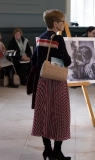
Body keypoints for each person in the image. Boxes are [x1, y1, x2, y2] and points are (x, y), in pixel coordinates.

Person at [29, 9, 72, 160]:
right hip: (57, 82)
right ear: (56, 24)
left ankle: (47, 149)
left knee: (45, 115)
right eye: (62, 22)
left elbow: (34, 60)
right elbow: (67, 61)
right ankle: (57, 152)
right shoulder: (58, 39)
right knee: (60, 116)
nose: (64, 24)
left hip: (42, 82)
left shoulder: (40, 38)